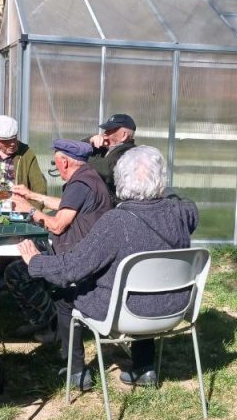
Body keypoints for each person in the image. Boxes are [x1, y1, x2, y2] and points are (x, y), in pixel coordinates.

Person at [15, 146, 197, 390]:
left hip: (128, 312)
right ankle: (144, 368)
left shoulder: (116, 222)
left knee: (66, 295)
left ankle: (75, 372)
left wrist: (35, 261)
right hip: (174, 307)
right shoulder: (181, 213)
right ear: (161, 180)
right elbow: (187, 204)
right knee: (143, 287)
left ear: (120, 182)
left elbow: (71, 269)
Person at [5, 139, 113, 345]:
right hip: (89, 250)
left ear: (64, 162)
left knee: (16, 272)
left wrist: (29, 209)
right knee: (32, 253)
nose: (56, 168)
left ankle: (51, 322)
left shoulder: (79, 184)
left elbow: (57, 226)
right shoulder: (89, 176)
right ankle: (48, 317)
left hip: (77, 256)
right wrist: (33, 195)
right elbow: (68, 206)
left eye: (55, 163)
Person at [0, 115, 47, 205]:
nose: (12, 143)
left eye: (14, 138)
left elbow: (39, 188)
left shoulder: (26, 154)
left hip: (17, 208)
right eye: (6, 141)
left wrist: (31, 211)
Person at [84, 113, 137, 199]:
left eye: (109, 130)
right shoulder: (105, 147)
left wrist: (80, 160)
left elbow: (107, 170)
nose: (105, 133)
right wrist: (90, 140)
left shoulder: (130, 153)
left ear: (124, 135)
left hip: (115, 205)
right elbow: (74, 149)